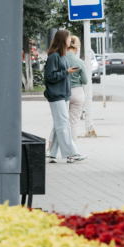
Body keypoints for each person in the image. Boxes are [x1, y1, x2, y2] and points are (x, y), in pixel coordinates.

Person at [44, 29, 87, 163]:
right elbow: (49, 77)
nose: (70, 40)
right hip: (56, 95)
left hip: (64, 95)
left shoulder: (62, 56)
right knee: (63, 124)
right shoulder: (53, 56)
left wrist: (67, 73)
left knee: (59, 125)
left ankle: (52, 154)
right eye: (68, 38)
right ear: (63, 40)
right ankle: (72, 154)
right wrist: (66, 71)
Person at [65, 35, 89, 140]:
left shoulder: (61, 59)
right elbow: (85, 81)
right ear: (77, 47)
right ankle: (72, 150)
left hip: (63, 91)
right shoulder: (79, 62)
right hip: (77, 92)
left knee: (60, 121)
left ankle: (52, 148)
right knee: (74, 122)